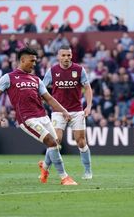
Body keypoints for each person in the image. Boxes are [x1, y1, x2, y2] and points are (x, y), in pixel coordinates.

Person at [0, 47, 77, 185]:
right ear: (22, 60)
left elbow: (49, 99)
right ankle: (64, 177)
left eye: (36, 61)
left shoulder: (36, 79)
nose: (34, 64)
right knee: (52, 142)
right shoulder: (9, 77)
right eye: (32, 61)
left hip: (42, 116)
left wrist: (64, 111)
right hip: (27, 119)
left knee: (55, 143)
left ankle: (45, 168)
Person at [43, 45, 93, 180]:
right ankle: (45, 167)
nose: (66, 58)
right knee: (55, 140)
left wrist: (88, 107)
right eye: (63, 55)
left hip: (76, 111)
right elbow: (42, 90)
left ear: (71, 56)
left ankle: (88, 171)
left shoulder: (79, 70)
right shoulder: (52, 71)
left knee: (81, 142)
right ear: (58, 56)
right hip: (58, 111)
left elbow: (87, 88)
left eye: (68, 55)